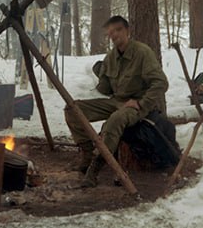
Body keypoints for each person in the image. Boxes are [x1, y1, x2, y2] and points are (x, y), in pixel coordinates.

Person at [64, 15, 168, 187]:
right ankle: (88, 154)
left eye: (118, 30)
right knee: (73, 109)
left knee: (115, 120)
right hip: (116, 102)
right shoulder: (111, 57)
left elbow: (161, 83)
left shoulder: (142, 52)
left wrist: (141, 103)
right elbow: (106, 89)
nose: (114, 35)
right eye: (110, 32)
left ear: (127, 30)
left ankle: (95, 169)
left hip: (137, 105)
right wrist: (100, 74)